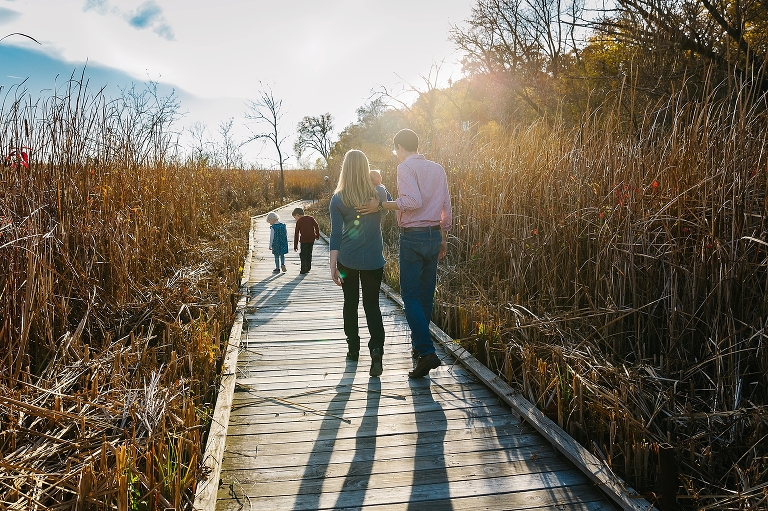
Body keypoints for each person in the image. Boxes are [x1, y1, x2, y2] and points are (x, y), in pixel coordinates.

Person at [358, 129, 452, 378]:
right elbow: (446, 206)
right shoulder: (437, 168)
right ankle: (419, 347)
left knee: (409, 295)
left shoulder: (405, 168)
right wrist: (443, 238)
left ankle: (426, 351)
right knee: (425, 295)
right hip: (433, 236)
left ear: (400, 146)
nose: (396, 153)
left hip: (413, 237)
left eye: (395, 149)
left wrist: (381, 204)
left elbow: (412, 201)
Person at [330, 150, 389, 377]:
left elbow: (336, 235)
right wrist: (378, 191)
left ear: (345, 168)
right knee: (371, 304)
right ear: (366, 167)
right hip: (374, 259)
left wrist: (333, 265)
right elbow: (392, 206)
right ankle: (376, 350)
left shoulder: (339, 198)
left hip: (347, 260)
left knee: (350, 303)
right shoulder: (379, 192)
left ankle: (353, 349)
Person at [292, 207, 320, 274]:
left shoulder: (299, 221)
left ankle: (303, 268)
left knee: (303, 254)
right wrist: (317, 235)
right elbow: (316, 226)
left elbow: (296, 233)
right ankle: (308, 267)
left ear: (297, 215)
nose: (295, 219)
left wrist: (295, 245)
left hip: (304, 240)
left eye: (295, 217)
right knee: (309, 253)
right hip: (311, 239)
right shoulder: (311, 218)